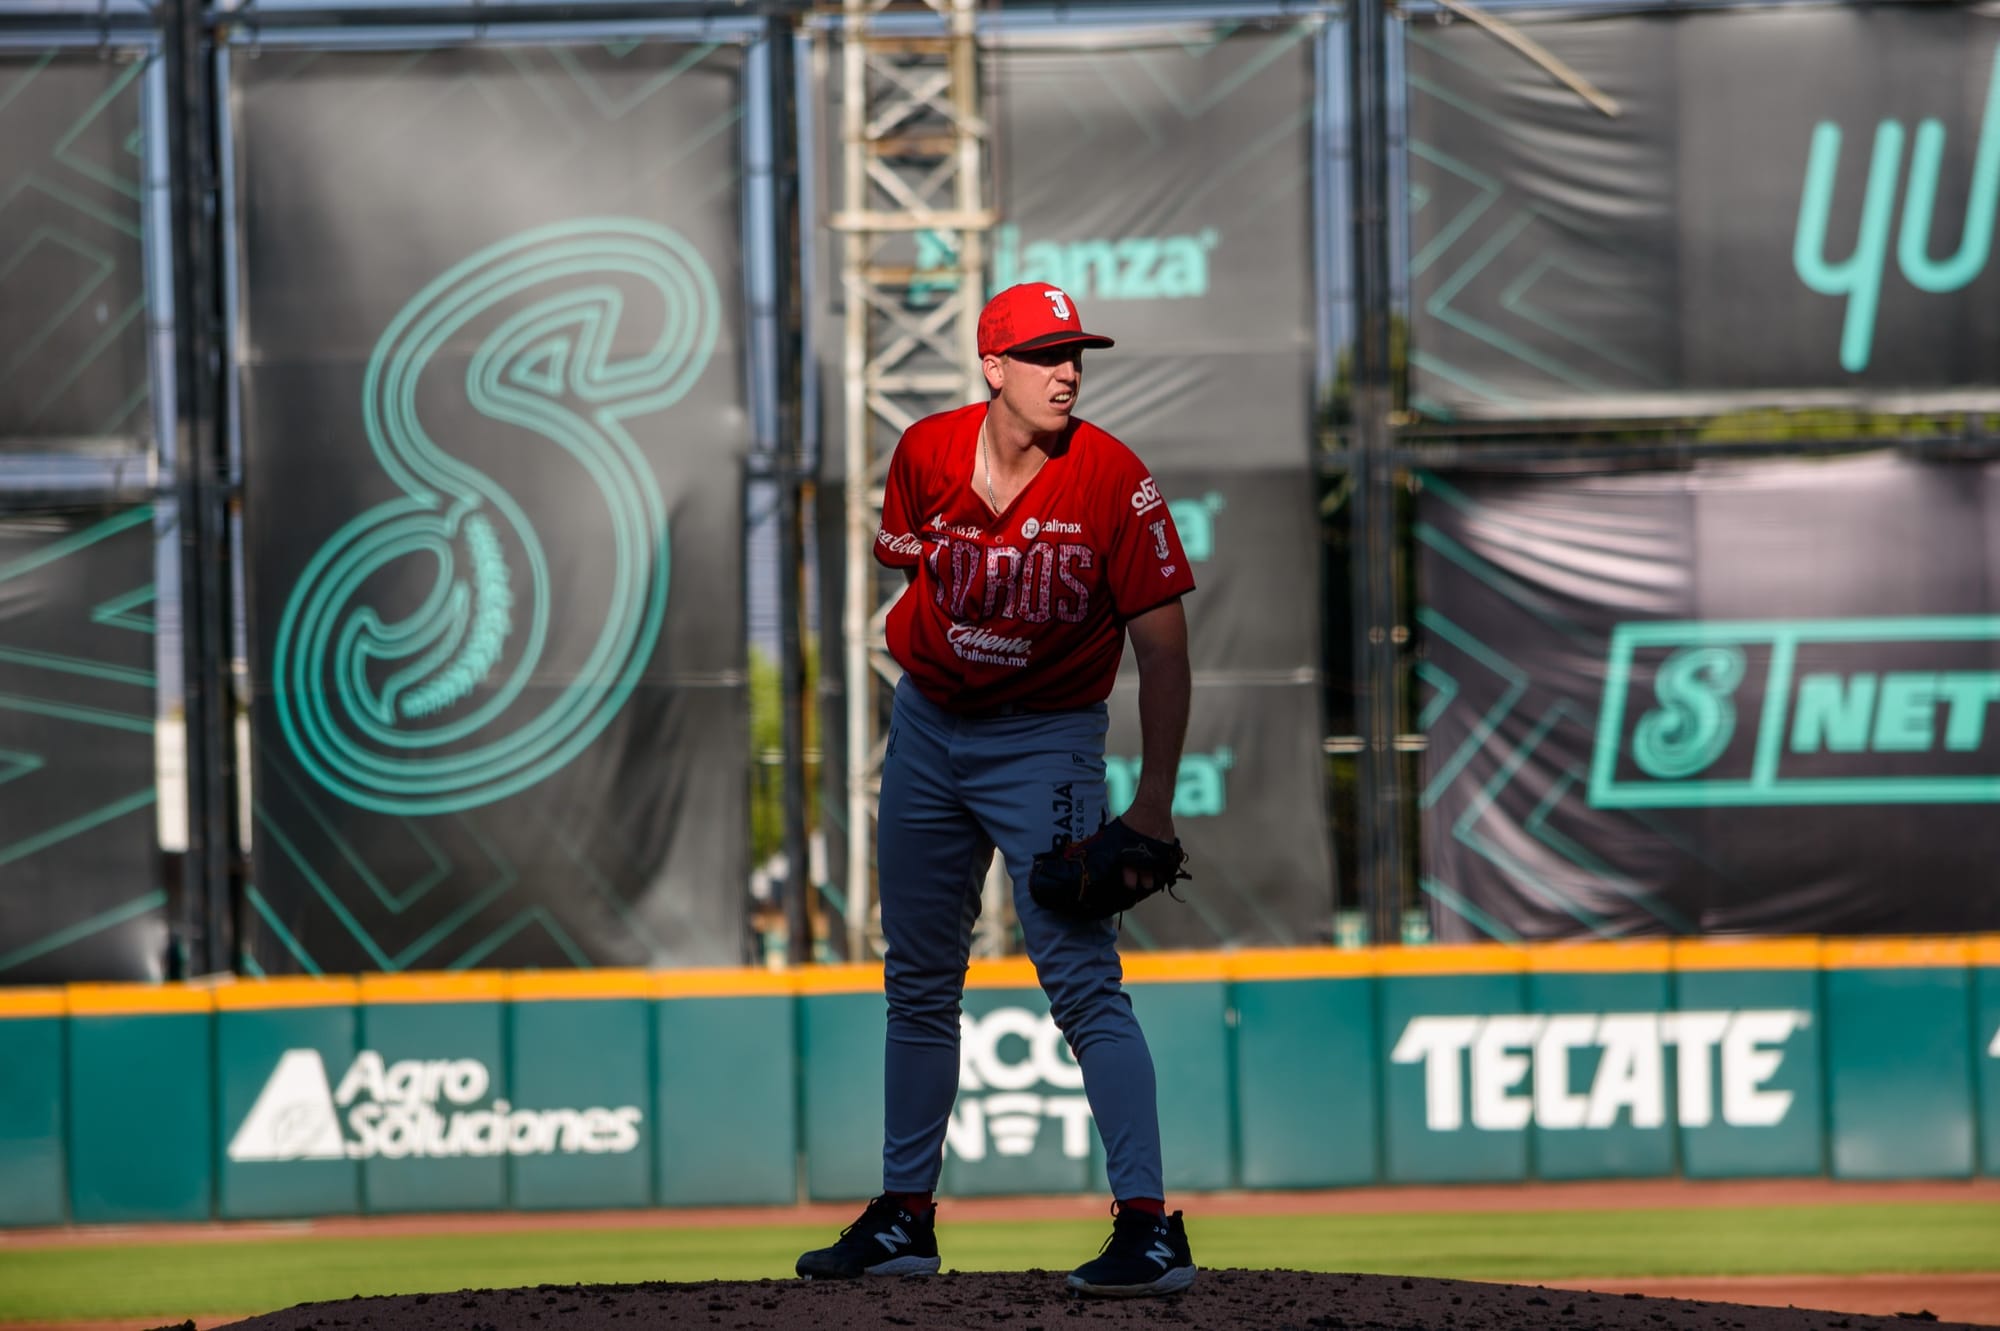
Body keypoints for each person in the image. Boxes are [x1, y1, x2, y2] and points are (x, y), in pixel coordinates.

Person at [795, 283, 1198, 1298]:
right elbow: (908, 562)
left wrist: (1150, 803)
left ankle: (1147, 1226)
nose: (1066, 369)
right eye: (1043, 352)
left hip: (1045, 741)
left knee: (1081, 980)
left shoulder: (1112, 479)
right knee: (918, 981)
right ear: (992, 365)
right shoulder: (925, 452)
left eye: (1075, 354)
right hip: (929, 725)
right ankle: (904, 1215)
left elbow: (1164, 650)